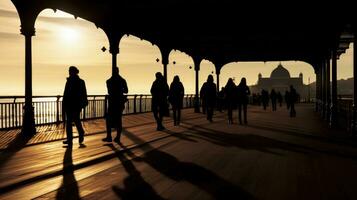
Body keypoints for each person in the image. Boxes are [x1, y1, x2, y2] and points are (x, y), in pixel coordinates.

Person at [62, 66, 88, 145]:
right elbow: (65, 93)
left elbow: (84, 93)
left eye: (70, 71)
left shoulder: (80, 82)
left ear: (74, 72)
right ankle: (71, 139)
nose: (69, 72)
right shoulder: (68, 81)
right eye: (69, 71)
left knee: (74, 120)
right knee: (71, 121)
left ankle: (77, 135)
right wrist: (64, 103)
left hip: (76, 104)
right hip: (69, 104)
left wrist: (83, 103)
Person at [102, 66, 128, 143]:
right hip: (119, 102)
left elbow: (110, 91)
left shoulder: (109, 81)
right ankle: (117, 137)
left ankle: (110, 136)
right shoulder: (122, 80)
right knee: (118, 120)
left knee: (109, 119)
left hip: (113, 102)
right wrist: (120, 90)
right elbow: (126, 90)